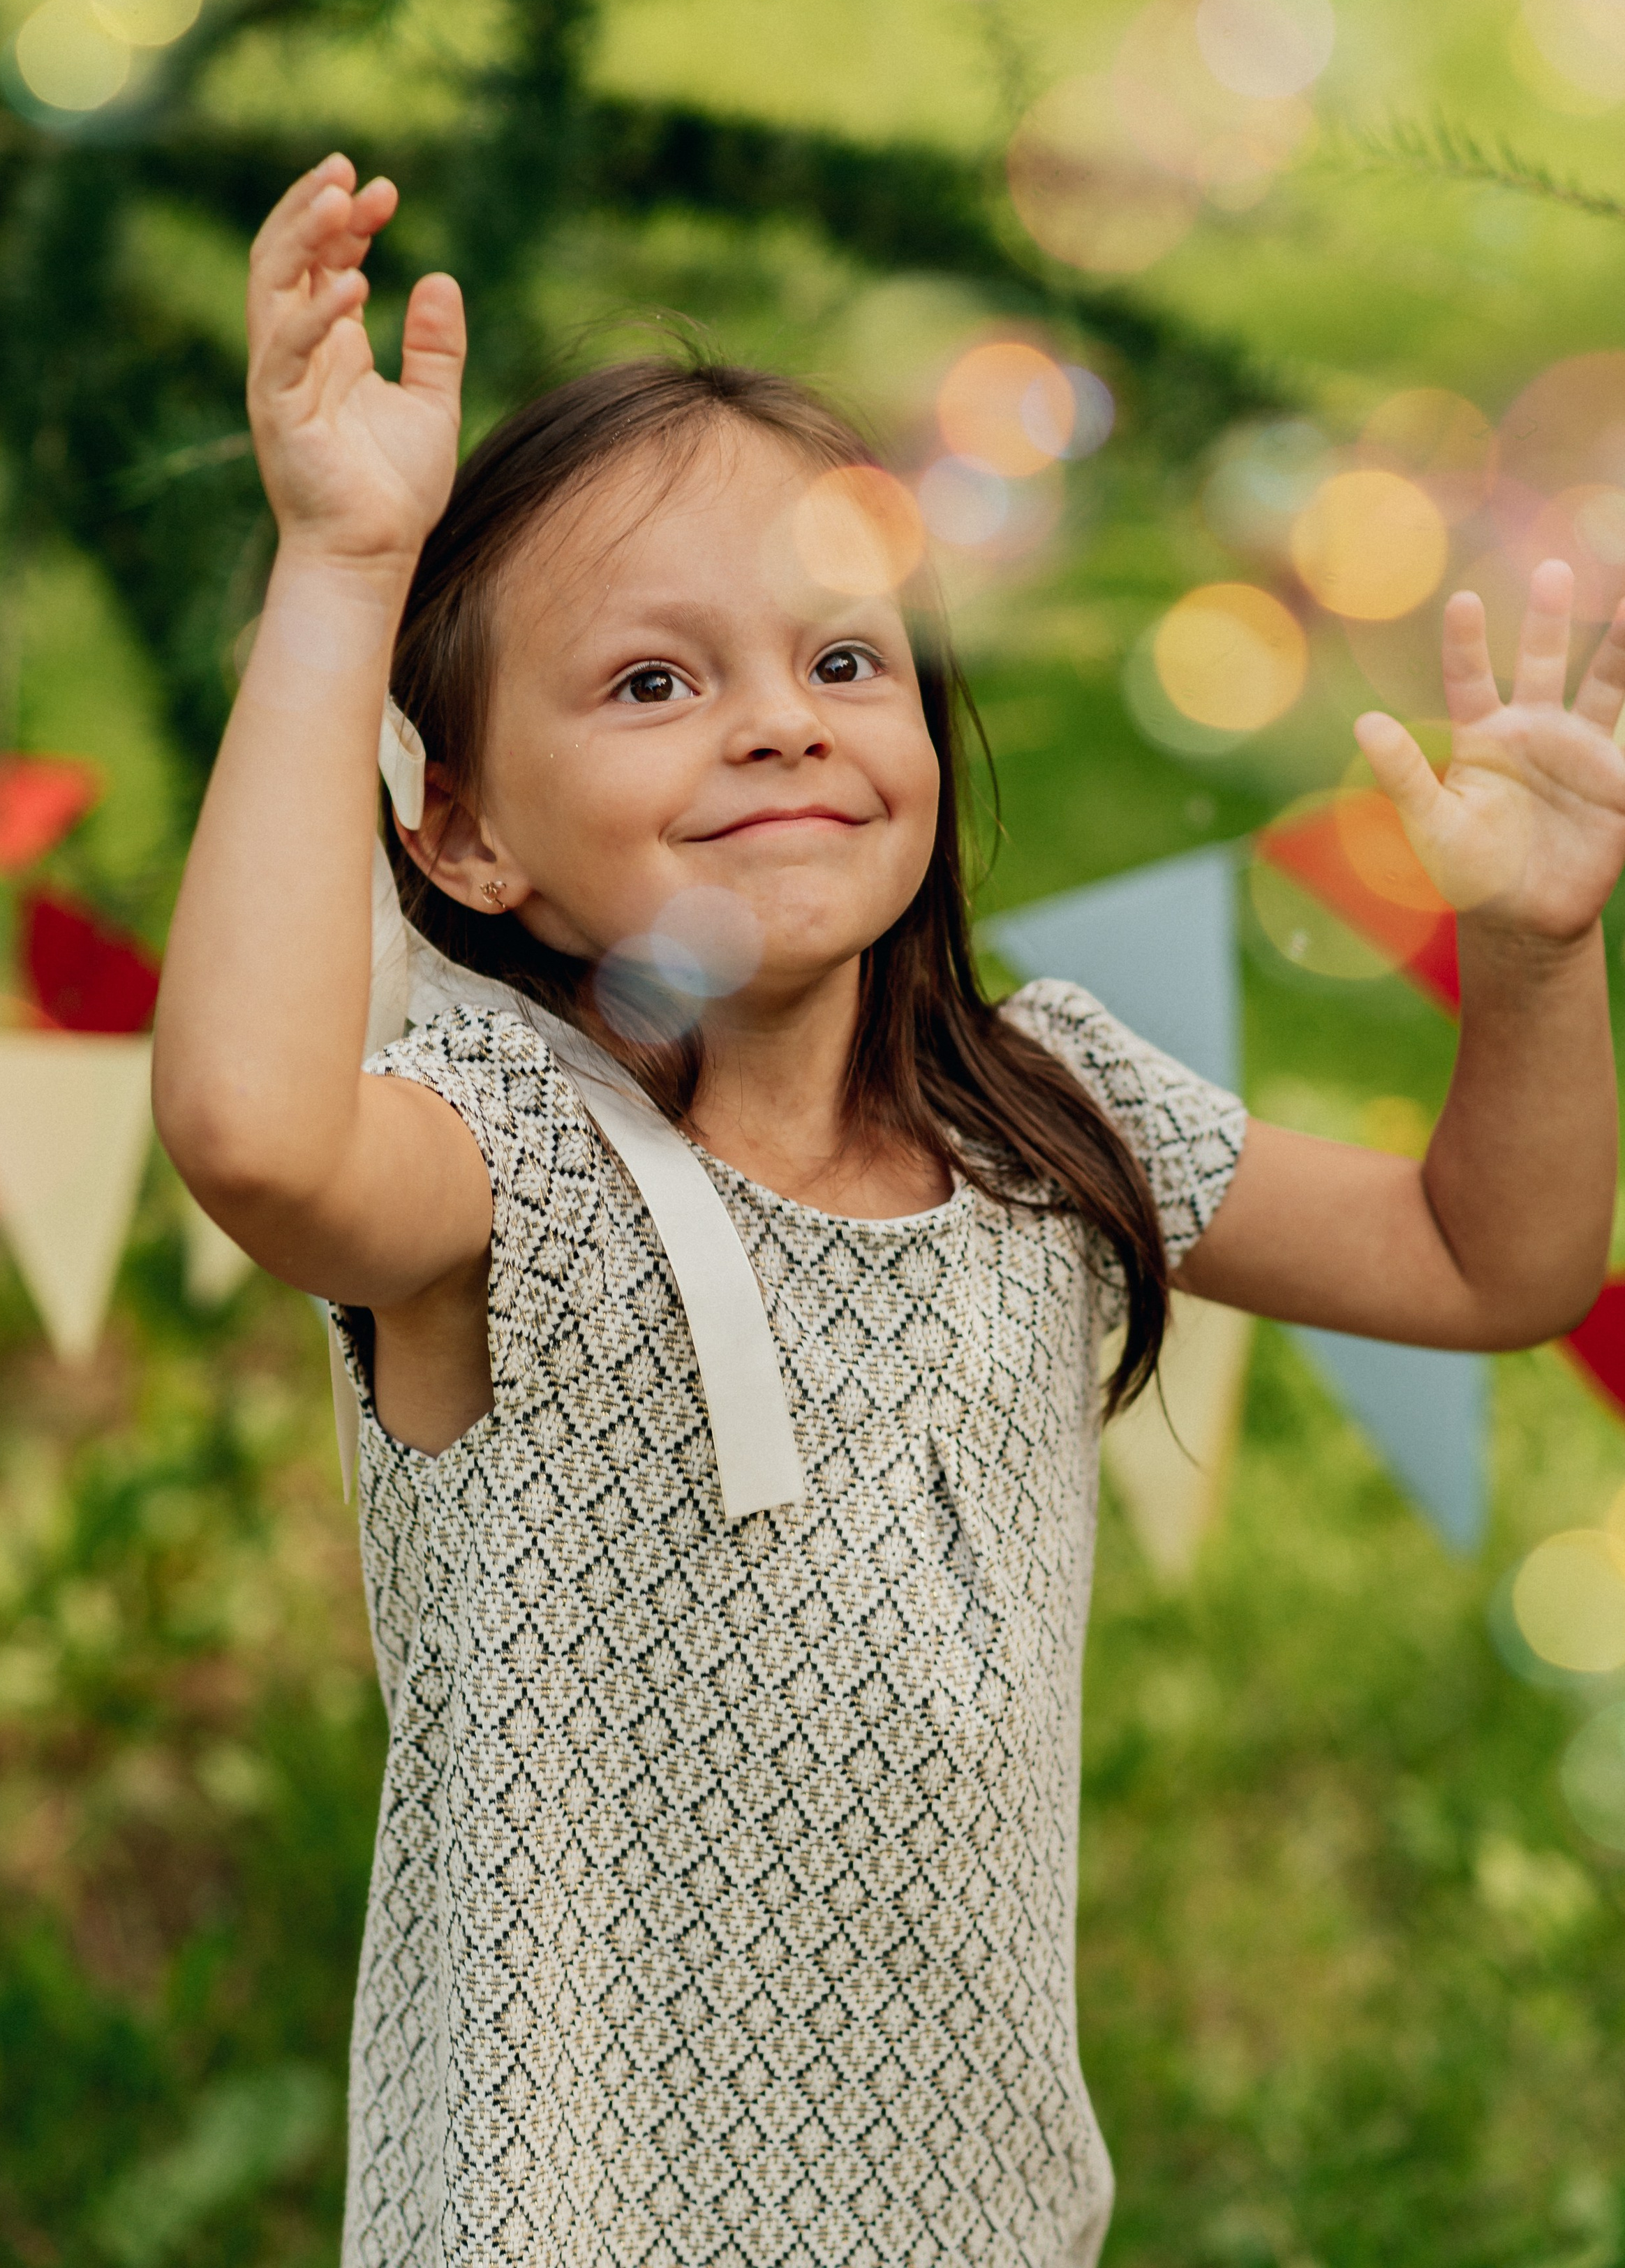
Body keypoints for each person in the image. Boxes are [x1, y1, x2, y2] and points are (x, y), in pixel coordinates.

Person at [153, 154, 1625, 2268]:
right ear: (463, 835)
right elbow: (251, 1133)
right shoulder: (508, 1159)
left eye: (843, 658)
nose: (775, 720)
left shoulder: (1049, 1116)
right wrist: (342, 567)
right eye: (652, 684)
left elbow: (1499, 1264)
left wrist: (1539, 958)